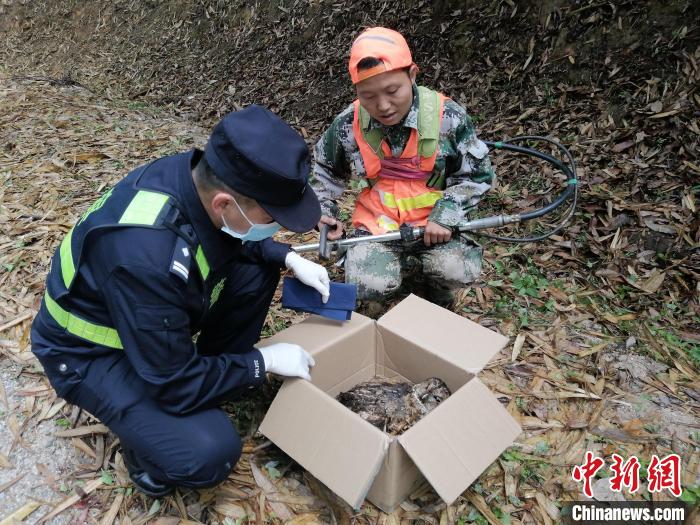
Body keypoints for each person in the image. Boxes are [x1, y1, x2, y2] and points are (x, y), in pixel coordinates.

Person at [30, 105, 329, 498]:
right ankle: (148, 460)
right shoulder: (148, 258)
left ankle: (216, 373)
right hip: (89, 352)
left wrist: (287, 256)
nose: (279, 226)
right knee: (209, 452)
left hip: (143, 316)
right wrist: (262, 363)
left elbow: (229, 238)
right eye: (273, 216)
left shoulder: (193, 177)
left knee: (257, 267)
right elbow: (172, 382)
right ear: (224, 202)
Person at [312, 27, 495, 311]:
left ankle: (434, 285)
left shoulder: (448, 118)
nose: (383, 106)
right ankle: (386, 280)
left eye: (392, 90)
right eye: (368, 96)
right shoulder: (349, 124)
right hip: (378, 226)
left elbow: (477, 175)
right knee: (366, 283)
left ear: (412, 74)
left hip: (434, 227)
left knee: (456, 270)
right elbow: (324, 172)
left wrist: (446, 214)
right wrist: (324, 214)